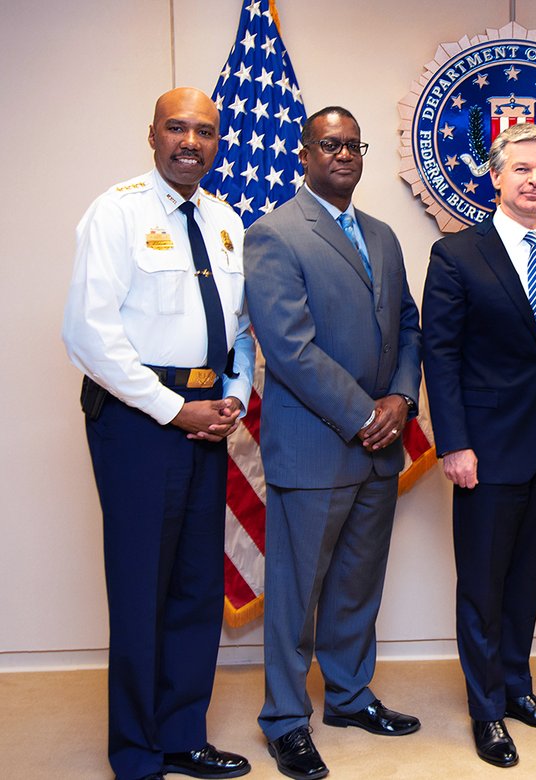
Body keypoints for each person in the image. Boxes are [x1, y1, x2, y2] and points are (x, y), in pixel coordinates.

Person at [62, 87, 253, 780]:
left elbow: (238, 330)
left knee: (196, 587)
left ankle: (182, 736)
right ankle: (137, 752)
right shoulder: (117, 212)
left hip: (209, 423)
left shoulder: (226, 220)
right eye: (177, 128)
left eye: (204, 130)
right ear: (152, 135)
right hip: (140, 425)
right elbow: (90, 334)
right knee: (143, 586)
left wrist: (231, 397)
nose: (190, 141)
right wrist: (174, 409)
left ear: (217, 142)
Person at [244, 106, 422, 780]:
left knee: (355, 586)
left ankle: (348, 696)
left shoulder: (381, 236)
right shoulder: (275, 234)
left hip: (378, 446)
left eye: (353, 144)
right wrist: (364, 413)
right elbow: (289, 349)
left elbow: (409, 325)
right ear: (305, 153)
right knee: (296, 594)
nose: (343, 154)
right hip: (318, 445)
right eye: (330, 144)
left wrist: (401, 400)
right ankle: (286, 721)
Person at [422, 122, 536, 768]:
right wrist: (454, 443)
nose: (534, 180)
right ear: (495, 177)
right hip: (486, 449)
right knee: (482, 583)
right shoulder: (457, 256)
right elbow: (439, 357)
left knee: (527, 576)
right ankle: (486, 710)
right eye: (521, 169)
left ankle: (517, 687)